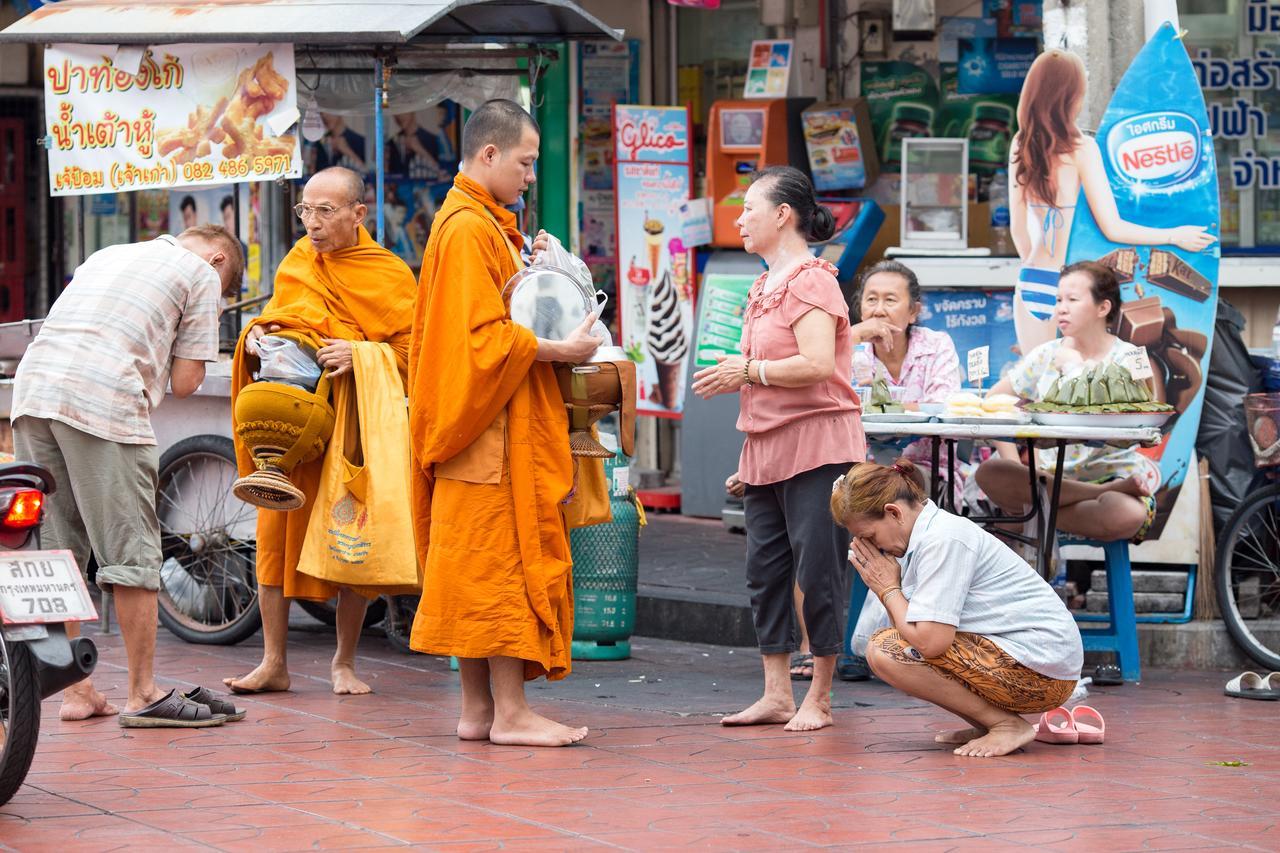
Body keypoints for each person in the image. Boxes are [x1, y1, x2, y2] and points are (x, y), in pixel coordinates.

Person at [408, 99, 599, 747]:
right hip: (488, 430)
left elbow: (494, 316)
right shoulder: (466, 229)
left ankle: (477, 712)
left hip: (478, 429)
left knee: (471, 566)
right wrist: (561, 350)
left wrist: (539, 270)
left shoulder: (485, 226)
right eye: (523, 163)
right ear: (488, 155)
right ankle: (510, 713)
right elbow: (481, 343)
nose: (528, 176)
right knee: (498, 566)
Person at [12, 225, 244, 727]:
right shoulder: (202, 276)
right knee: (132, 552)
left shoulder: (109, 252)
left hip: (31, 393)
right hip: (102, 398)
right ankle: (143, 693)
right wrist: (209, 315)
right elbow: (186, 383)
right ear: (219, 259)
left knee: (58, 550)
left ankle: (78, 692)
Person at [223, 166, 417, 696]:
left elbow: (413, 355)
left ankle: (344, 662)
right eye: (305, 210)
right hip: (294, 425)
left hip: (353, 424)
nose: (313, 223)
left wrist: (360, 354)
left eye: (326, 211)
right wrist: (259, 336)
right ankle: (274, 661)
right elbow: (282, 319)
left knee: (349, 534)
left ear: (359, 214)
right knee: (275, 533)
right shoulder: (298, 263)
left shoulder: (391, 275)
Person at [693, 165, 863, 732]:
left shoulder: (812, 279)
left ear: (782, 215)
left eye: (749, 208)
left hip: (819, 444)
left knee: (819, 570)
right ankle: (775, 693)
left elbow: (816, 366)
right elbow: (764, 379)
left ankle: (820, 695)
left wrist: (748, 369)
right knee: (765, 571)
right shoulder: (763, 284)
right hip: (766, 448)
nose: (740, 218)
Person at [832, 458, 1084, 758]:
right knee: (894, 644)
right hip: (1030, 660)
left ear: (893, 512)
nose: (873, 547)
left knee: (886, 651)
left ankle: (1006, 725)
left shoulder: (943, 539)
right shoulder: (925, 536)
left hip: (1044, 671)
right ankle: (987, 724)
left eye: (870, 537)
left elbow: (931, 642)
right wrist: (889, 588)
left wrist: (887, 589)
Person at [1010, 48, 1216, 354]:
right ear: (1071, 96)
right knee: (1073, 388)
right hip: (1070, 286)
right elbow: (1113, 228)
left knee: (1034, 384)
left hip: (1030, 278)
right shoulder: (1082, 148)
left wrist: (1033, 265)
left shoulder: (1021, 142)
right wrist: (1175, 235)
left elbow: (1018, 228)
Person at [976, 260, 1162, 544]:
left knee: (1125, 513)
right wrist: (1018, 466)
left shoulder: (1132, 357)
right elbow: (994, 401)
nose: (1061, 308)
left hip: (1112, 479)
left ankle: (1032, 515)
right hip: (1047, 478)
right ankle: (1063, 499)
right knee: (989, 473)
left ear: (1103, 308)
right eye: (1058, 300)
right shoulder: (1045, 355)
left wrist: (1078, 369)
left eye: (1073, 300)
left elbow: (1147, 413)